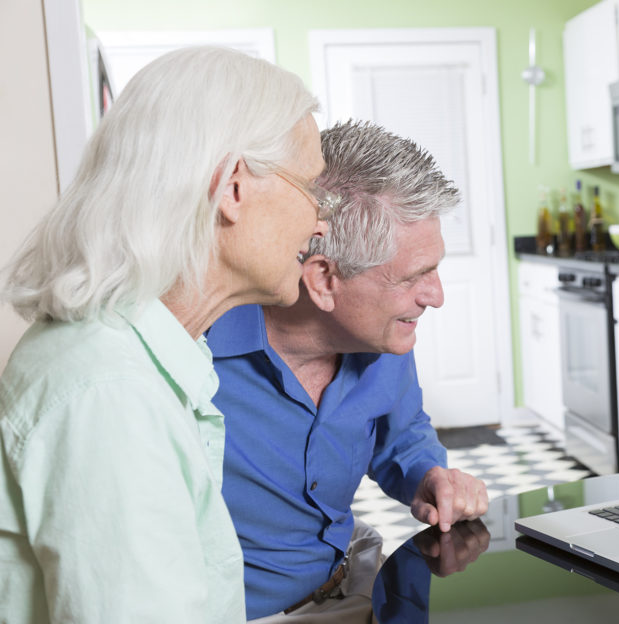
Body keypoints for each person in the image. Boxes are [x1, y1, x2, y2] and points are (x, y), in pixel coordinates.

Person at [0, 46, 330, 623]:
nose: (319, 221)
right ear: (232, 186)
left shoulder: (138, 358)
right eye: (312, 189)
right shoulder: (109, 394)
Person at [206, 120, 489, 620]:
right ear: (324, 280)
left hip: (352, 583)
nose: (436, 297)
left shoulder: (381, 338)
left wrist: (427, 475)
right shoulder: (193, 353)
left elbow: (401, 436)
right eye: (413, 277)